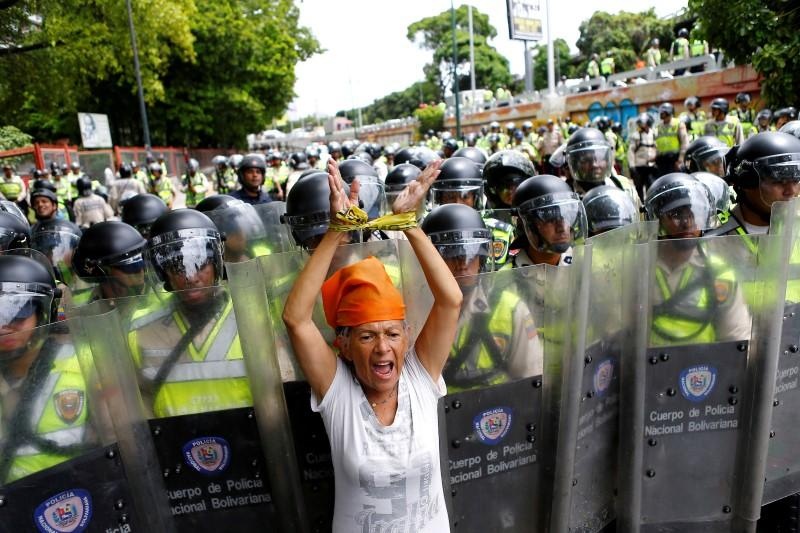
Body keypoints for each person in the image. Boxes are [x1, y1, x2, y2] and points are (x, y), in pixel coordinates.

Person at [282, 158, 459, 533]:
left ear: (407, 338)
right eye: (366, 336)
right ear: (343, 346)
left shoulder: (419, 378)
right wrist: (336, 232)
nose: (382, 348)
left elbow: (450, 300)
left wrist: (410, 225)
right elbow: (296, 319)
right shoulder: (339, 394)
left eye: (392, 334)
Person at [129, 209, 250, 419]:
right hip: (172, 445)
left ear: (217, 263)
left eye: (200, 263)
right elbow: (137, 406)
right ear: (162, 272)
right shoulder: (140, 330)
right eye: (177, 266)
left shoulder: (252, 317)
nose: (190, 276)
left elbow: (278, 393)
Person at [421, 203, 543, 387]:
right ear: (429, 259)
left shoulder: (510, 308)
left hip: (498, 410)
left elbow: (531, 381)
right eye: (452, 253)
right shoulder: (414, 311)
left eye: (472, 253)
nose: (463, 263)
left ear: (484, 258)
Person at [0, 251, 93, 484]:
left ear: (43, 315)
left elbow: (118, 447)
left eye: (18, 311)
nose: (4, 325)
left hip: (80, 502)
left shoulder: (86, 365)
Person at [643, 173, 750, 345]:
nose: (687, 223)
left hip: (707, 368)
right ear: (657, 220)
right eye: (676, 214)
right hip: (648, 369)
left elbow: (736, 337)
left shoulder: (719, 272)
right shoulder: (638, 270)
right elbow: (620, 334)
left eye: (695, 212)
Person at [430, 156, 516, 269]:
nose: (458, 203)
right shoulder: (429, 231)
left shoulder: (500, 232)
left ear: (475, 198)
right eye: (450, 197)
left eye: (465, 196)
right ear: (440, 199)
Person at [509, 175, 587, 267]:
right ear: (525, 225)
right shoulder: (508, 276)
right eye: (550, 219)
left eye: (567, 216)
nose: (561, 228)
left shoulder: (584, 265)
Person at [564, 127, 640, 209]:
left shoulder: (623, 185)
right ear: (574, 164)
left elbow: (640, 217)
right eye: (586, 160)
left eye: (600, 158)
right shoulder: (566, 196)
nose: (594, 164)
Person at [72, 221, 148, 302]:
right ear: (98, 272)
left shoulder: (156, 298)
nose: (140, 272)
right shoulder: (81, 306)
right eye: (131, 268)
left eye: (141, 264)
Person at [628, 112, 658, 201]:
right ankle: (641, 206)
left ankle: (651, 203)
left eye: (643, 123)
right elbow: (631, 151)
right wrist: (632, 166)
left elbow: (657, 148)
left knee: (651, 186)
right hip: (639, 167)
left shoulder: (654, 134)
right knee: (639, 188)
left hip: (651, 166)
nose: (641, 125)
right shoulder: (636, 135)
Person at [654, 103, 690, 177]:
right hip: (661, 160)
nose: (660, 114)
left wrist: (680, 159)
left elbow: (684, 142)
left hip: (674, 159)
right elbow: (657, 143)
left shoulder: (678, 123)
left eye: (662, 112)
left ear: (669, 112)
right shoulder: (659, 126)